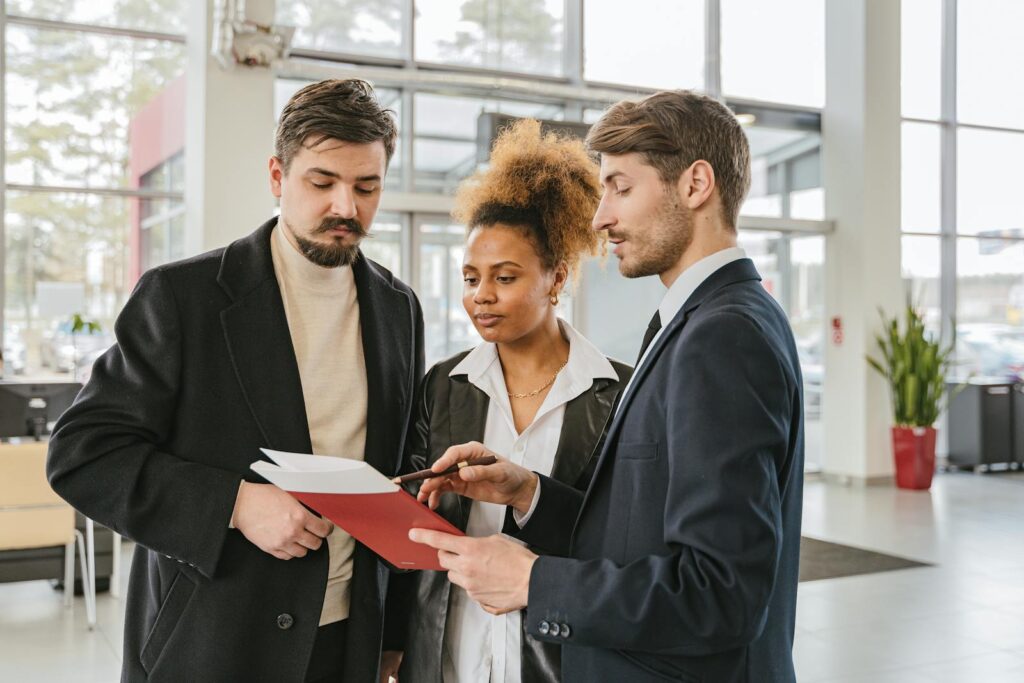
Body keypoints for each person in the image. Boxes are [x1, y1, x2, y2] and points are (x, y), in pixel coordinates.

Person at [410, 90, 805, 683]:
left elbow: (721, 593)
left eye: (620, 187)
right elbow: (635, 533)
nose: (600, 218)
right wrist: (526, 492)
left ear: (696, 185)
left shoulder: (722, 337)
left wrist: (532, 580)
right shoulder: (699, 322)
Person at [47, 79, 423, 683]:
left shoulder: (398, 306)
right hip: (213, 640)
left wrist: (395, 635)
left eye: (367, 187)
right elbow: (82, 456)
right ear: (278, 176)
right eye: (322, 183)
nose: (346, 208)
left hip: (348, 641)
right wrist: (237, 504)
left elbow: (399, 464)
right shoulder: (181, 297)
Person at [397, 120, 631, 683]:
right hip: (450, 656)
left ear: (557, 277)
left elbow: (620, 541)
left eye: (504, 277)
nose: (481, 296)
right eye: (471, 277)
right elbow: (413, 531)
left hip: (559, 660)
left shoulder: (619, 393)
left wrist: (530, 497)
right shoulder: (442, 385)